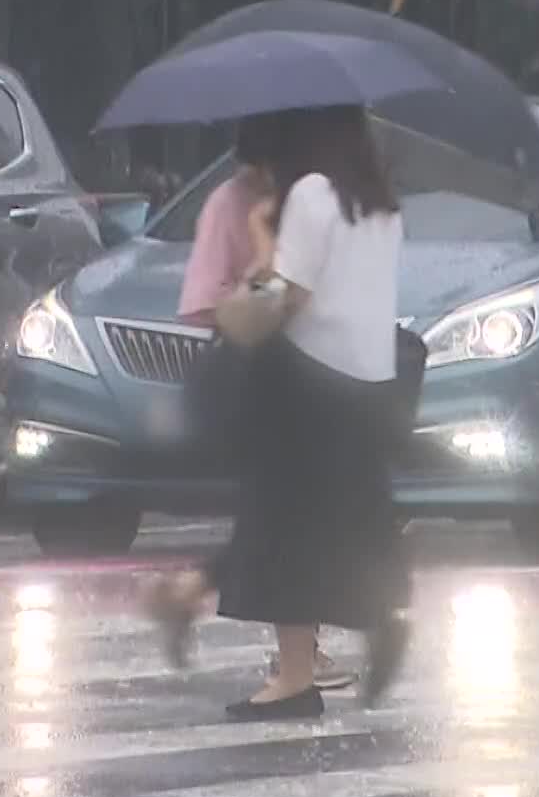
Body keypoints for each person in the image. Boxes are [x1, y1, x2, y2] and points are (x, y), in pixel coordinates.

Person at [205, 105, 415, 719]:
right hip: (372, 383)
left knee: (282, 528)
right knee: (350, 522)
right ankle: (380, 619)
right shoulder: (379, 204)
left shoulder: (311, 196)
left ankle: (294, 678)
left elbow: (285, 297)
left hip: (306, 384)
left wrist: (261, 243)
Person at [149, 129, 357, 692]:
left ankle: (191, 593)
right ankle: (295, 658)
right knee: (292, 515)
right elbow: (210, 305)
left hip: (315, 380)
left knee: (289, 516)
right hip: (262, 386)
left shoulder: (314, 204)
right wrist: (264, 267)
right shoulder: (232, 206)